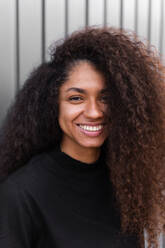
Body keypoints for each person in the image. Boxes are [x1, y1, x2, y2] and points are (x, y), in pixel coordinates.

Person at [0, 26, 165, 248]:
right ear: (53, 105)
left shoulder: (127, 182)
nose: (95, 112)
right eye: (76, 98)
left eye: (105, 98)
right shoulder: (22, 194)